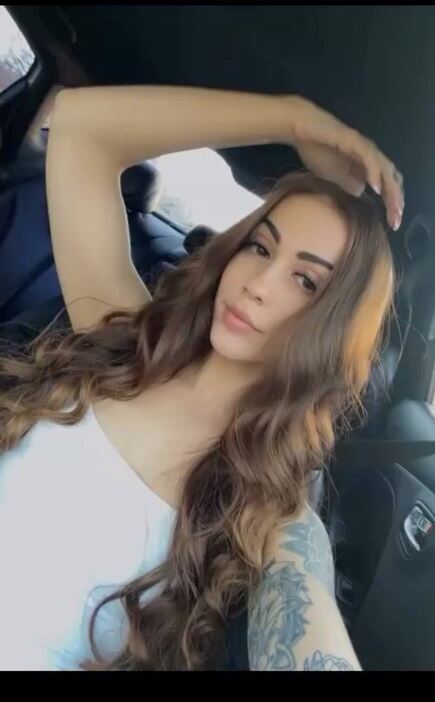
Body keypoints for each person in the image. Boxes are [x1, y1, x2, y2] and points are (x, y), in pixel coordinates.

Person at [0, 86, 404, 671]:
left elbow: (309, 627)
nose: (258, 284)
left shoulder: (267, 509)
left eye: (306, 282)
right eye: (260, 247)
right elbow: (81, 127)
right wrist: (297, 120)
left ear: (335, 330)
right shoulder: (127, 336)